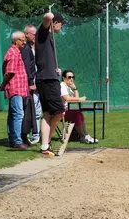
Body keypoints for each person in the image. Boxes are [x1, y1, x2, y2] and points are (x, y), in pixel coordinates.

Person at [35, 12, 65, 156]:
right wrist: (49, 16)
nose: (62, 26)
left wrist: (55, 70)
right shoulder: (43, 33)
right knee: (59, 111)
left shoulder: (50, 39)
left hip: (49, 77)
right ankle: (46, 141)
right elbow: (46, 19)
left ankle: (44, 145)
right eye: (61, 23)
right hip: (47, 81)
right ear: (55, 23)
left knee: (47, 113)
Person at [0, 31, 29, 149]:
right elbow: (9, 73)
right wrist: (2, 85)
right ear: (16, 41)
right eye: (22, 40)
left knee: (13, 115)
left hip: (18, 88)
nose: (24, 42)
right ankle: (17, 141)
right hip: (15, 88)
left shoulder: (15, 52)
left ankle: (12, 139)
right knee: (18, 114)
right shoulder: (14, 53)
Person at [60, 70, 98, 143]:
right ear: (64, 78)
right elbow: (67, 98)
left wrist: (75, 89)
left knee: (80, 114)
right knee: (77, 114)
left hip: (66, 110)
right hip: (60, 112)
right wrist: (80, 98)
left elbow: (76, 100)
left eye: (73, 77)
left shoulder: (68, 87)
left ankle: (86, 135)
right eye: (69, 77)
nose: (72, 79)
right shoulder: (62, 85)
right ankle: (82, 136)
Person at [21, 25, 41, 145]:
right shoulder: (25, 48)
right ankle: (28, 134)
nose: (35, 37)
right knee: (28, 109)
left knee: (37, 109)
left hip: (38, 81)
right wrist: (31, 82)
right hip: (30, 82)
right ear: (27, 34)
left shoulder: (38, 48)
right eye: (34, 35)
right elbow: (27, 67)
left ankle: (35, 134)